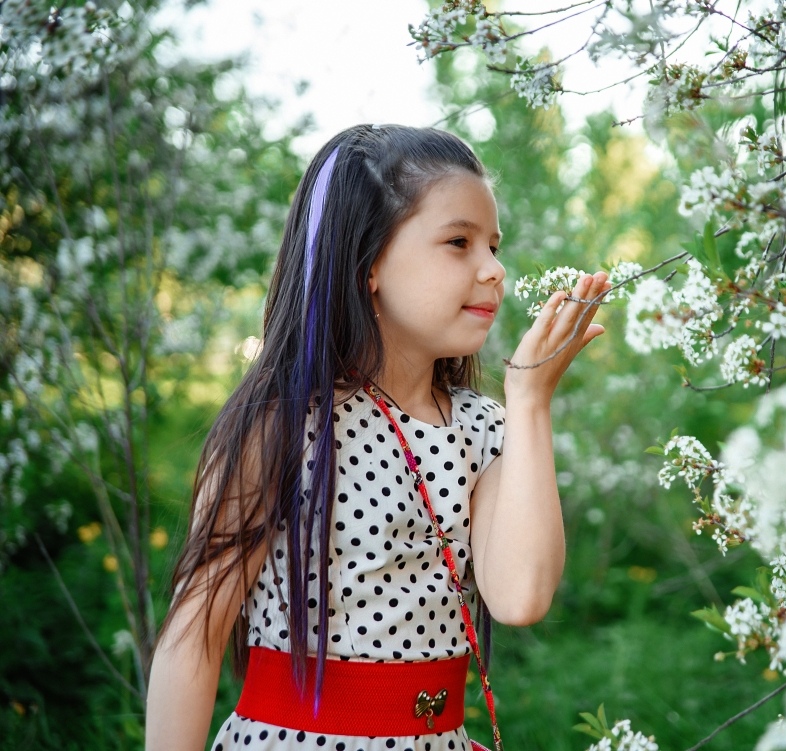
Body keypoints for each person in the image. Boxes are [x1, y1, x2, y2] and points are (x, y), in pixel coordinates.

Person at [146, 124, 609, 751]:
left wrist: (529, 402)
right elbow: (193, 639)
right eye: (458, 242)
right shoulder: (282, 422)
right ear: (369, 264)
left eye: (494, 246)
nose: (494, 269)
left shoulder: (482, 429)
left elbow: (521, 596)